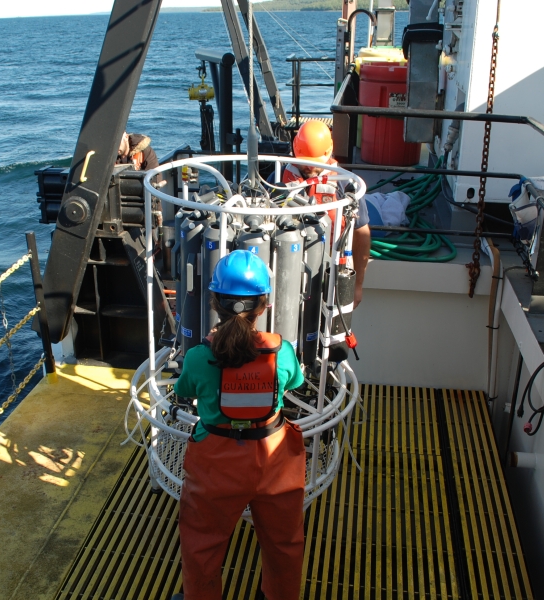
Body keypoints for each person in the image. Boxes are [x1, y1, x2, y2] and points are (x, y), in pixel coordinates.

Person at [174, 250, 306, 600]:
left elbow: (183, 390)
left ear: (214, 301)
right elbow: (293, 382)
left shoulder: (199, 356)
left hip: (215, 464)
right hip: (275, 458)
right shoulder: (283, 351)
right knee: (284, 544)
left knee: (201, 545)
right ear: (264, 305)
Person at [282, 121, 371, 306]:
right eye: (304, 162)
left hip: (331, 270)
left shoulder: (345, 184)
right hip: (288, 268)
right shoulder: (277, 180)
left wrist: (357, 285)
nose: (308, 168)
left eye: (313, 163)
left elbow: (362, 233)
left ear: (328, 152)